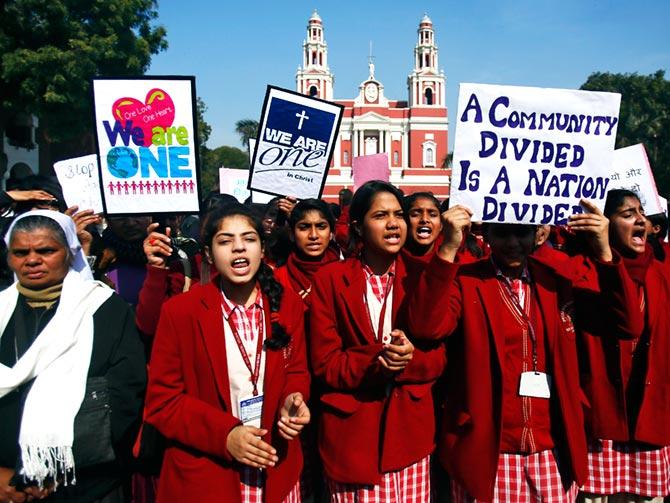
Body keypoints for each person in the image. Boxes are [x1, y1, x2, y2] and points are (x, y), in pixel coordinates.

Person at [407, 201, 641, 502]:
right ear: (486, 234)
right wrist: (449, 249)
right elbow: (426, 328)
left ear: (538, 235)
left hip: (551, 449)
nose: (513, 243)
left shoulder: (557, 280)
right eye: (502, 233)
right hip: (488, 449)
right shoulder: (466, 280)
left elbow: (627, 326)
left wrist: (604, 251)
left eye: (521, 233)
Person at [144, 203, 310, 502]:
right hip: (208, 474)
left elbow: (296, 371)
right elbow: (163, 401)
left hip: (275, 467)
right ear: (208, 254)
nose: (238, 249)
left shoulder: (287, 305)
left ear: (262, 249)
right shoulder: (181, 312)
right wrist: (225, 435)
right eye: (225, 241)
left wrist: (292, 400)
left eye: (249, 239)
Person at [310, 181, 445, 502]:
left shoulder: (424, 275)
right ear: (357, 225)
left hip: (409, 436)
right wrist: (378, 361)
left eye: (399, 214)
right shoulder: (330, 280)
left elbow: (440, 356)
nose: (394, 223)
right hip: (352, 437)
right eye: (380, 215)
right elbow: (325, 363)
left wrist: (411, 359)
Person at [0, 210, 146, 503]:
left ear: (69, 252)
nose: (32, 260)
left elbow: (124, 395)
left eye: (46, 250)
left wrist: (54, 469)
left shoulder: (105, 309)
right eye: (20, 252)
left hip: (88, 484)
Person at [579, 189, 670, 502]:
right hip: (601, 419)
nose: (641, 219)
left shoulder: (663, 271)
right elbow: (628, 323)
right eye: (628, 213)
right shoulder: (583, 271)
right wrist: (605, 254)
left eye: (641, 212)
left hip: (649, 415)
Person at [273, 198, 340, 307]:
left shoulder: (346, 274)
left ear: (331, 233)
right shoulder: (278, 278)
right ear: (292, 234)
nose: (313, 235)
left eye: (321, 227)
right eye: (304, 227)